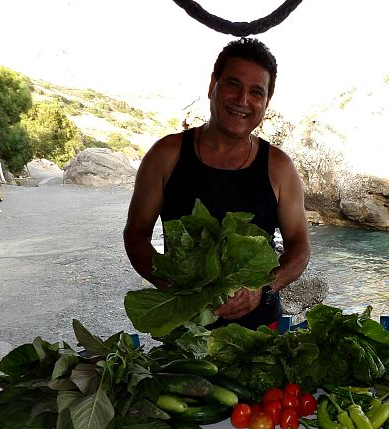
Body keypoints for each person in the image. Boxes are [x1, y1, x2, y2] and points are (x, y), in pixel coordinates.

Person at [123, 37, 310, 330]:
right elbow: (136, 233)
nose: (242, 100)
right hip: (185, 341)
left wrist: (263, 289)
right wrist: (177, 288)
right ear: (213, 85)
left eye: (256, 92)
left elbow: (299, 247)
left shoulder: (279, 167)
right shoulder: (166, 155)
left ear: (266, 103)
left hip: (260, 337)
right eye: (233, 84)